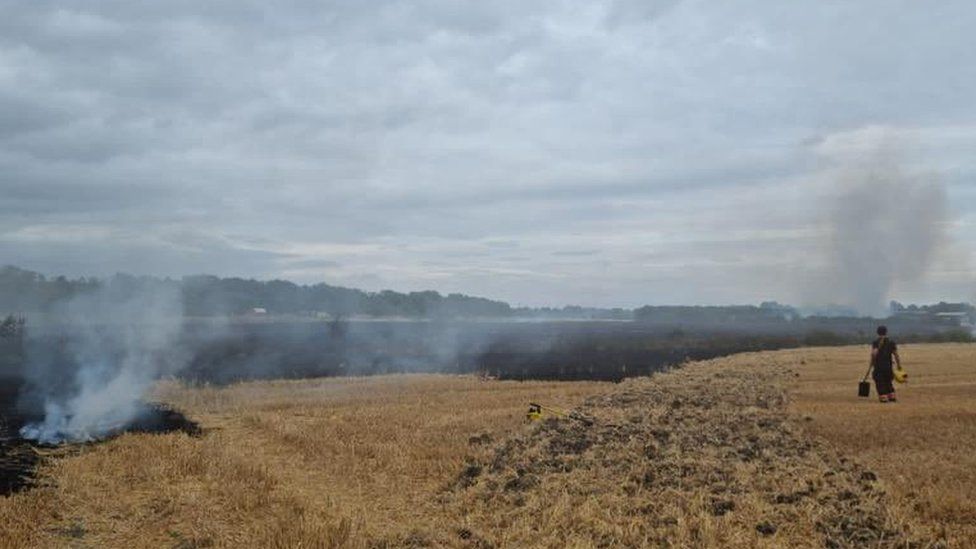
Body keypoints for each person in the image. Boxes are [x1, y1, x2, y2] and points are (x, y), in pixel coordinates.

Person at [870, 325, 901, 403]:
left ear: (877, 333)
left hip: (879, 366)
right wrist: (899, 365)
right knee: (888, 381)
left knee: (879, 382)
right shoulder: (891, 342)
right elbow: (896, 355)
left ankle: (883, 398)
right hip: (888, 366)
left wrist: (872, 363)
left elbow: (874, 353)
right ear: (886, 332)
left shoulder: (876, 342)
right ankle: (892, 397)